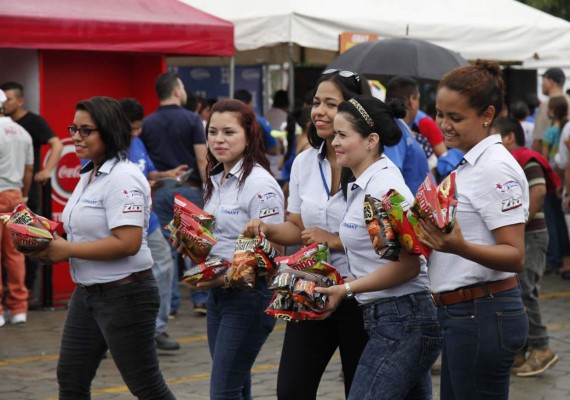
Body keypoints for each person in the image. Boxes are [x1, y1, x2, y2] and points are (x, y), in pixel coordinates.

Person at [33, 96, 175, 399]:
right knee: (71, 379)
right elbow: (83, 231)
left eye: (86, 130)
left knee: (147, 387)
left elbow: (128, 243)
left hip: (126, 295)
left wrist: (66, 250)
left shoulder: (123, 178)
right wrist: (41, 239)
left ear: (109, 132)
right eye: (74, 128)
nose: (75, 137)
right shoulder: (91, 173)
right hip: (87, 293)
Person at [243, 69, 371, 400]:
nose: (320, 111)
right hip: (310, 287)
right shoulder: (303, 163)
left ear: (354, 111)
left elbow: (386, 235)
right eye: (316, 102)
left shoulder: (372, 165)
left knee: (359, 390)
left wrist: (334, 238)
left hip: (362, 293)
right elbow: (297, 227)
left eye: (331, 103)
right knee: (291, 390)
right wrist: (268, 229)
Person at [313, 94, 441, 399]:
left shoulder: (387, 189)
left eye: (343, 135)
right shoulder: (362, 185)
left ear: (371, 140)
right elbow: (381, 260)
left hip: (405, 319)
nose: (335, 143)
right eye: (334, 135)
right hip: (389, 318)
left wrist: (346, 290)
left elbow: (410, 265)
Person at [419, 60, 529, 400]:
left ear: (487, 114)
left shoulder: (494, 168)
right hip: (463, 314)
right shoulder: (467, 163)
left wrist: (458, 246)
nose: (443, 125)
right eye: (439, 114)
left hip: (483, 313)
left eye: (456, 117)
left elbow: (514, 255)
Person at [178, 99, 284, 399]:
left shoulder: (260, 185)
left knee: (223, 391)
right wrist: (191, 242)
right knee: (236, 386)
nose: (218, 140)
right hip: (218, 294)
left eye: (229, 132)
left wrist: (224, 278)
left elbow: (272, 254)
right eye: (212, 132)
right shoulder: (217, 178)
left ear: (249, 135)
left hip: (249, 297)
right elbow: (219, 239)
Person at [495, 116, 559, 377]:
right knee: (518, 290)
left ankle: (542, 348)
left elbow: (539, 190)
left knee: (525, 292)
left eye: (495, 135)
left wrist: (518, 223)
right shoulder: (509, 161)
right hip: (524, 236)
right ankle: (521, 352)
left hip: (531, 236)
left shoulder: (526, 157)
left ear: (509, 137)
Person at [141, 72, 209, 316]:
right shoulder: (192, 120)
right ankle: (201, 299)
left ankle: (169, 306)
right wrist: (208, 190)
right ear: (177, 91)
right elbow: (202, 159)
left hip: (159, 192)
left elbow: (146, 165)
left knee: (166, 251)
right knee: (195, 247)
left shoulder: (147, 123)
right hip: (189, 191)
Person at [120, 98, 185, 351]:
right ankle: (102, 336)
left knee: (165, 268)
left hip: (149, 222)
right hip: (119, 224)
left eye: (138, 128)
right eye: (131, 128)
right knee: (116, 279)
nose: (135, 133)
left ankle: (156, 330)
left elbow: (149, 172)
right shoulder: (102, 147)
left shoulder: (137, 143)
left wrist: (167, 175)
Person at [0, 81, 63, 296]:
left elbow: (57, 143)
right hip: (18, 192)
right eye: (4, 99)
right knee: (12, 249)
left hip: (25, 193)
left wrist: (47, 170)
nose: (6, 103)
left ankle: (25, 294)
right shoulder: (16, 129)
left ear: (20, 100)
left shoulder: (32, 122)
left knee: (25, 244)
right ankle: (17, 299)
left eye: (9, 99)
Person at [0, 89, 33, 327]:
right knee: (15, 254)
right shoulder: (22, 132)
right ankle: (19, 308)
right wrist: (24, 194)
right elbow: (28, 169)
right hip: (17, 195)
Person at [385, 76, 447, 171]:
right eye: (418, 99)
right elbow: (392, 172)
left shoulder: (400, 128)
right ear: (412, 100)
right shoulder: (394, 132)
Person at [541, 96, 570, 275]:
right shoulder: (564, 127)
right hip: (562, 178)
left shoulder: (551, 132)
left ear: (551, 111)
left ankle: (557, 259)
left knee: (554, 220)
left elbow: (548, 159)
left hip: (554, 177)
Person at [531, 67, 570, 153]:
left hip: (550, 158)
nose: (542, 84)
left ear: (551, 82)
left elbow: (538, 139)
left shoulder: (547, 104)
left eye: (544, 81)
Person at [233, 89, 280, 156]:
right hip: (254, 162)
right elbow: (273, 149)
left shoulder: (226, 121)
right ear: (247, 103)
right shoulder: (260, 122)